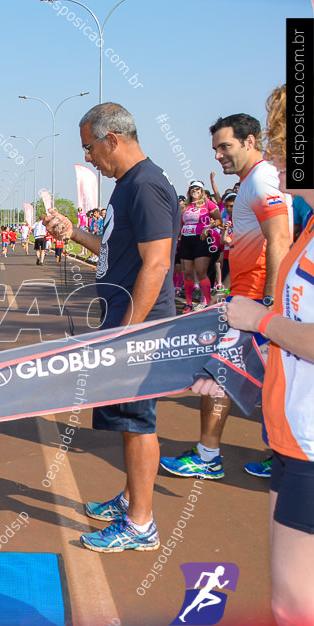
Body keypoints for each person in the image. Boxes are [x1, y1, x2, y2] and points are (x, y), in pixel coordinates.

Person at [190, 84, 313, 626]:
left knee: (293, 611)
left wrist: (258, 320)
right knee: (287, 604)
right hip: (292, 438)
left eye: (286, 151)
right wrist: (244, 369)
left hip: (309, 444)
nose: (280, 169)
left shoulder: (265, 187)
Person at [42, 102, 177, 553]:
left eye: (90, 149)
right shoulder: (127, 187)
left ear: (112, 139)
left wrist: (128, 331)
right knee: (126, 420)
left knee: (138, 422)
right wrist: (73, 233)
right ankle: (132, 499)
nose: (90, 159)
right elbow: (116, 252)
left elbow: (157, 264)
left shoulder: (146, 186)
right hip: (122, 320)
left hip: (137, 327)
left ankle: (141, 524)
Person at [160, 113, 292, 481]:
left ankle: (208, 456)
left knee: (216, 373)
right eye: (216, 148)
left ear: (250, 142)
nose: (218, 155)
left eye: (225, 146)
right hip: (248, 297)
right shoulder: (252, 180)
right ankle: (282, 454)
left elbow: (279, 238)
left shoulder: (263, 178)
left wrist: (270, 303)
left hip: (257, 301)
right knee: (272, 381)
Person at [178, 180, 223, 312]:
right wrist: (178, 238)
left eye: (197, 189)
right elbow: (181, 224)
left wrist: (209, 227)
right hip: (186, 240)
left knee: (201, 272)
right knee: (187, 273)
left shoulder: (208, 203)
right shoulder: (186, 206)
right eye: (192, 189)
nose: (195, 191)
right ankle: (188, 303)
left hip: (202, 240)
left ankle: (208, 303)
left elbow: (219, 219)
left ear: (202, 191)